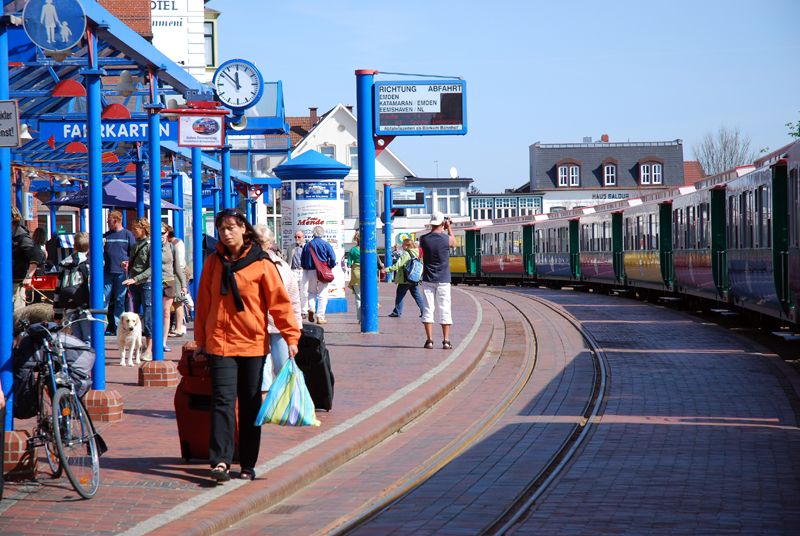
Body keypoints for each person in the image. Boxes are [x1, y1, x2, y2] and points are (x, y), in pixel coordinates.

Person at [194, 208, 300, 482]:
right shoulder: (213, 262)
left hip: (253, 344)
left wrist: (291, 337)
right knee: (222, 402)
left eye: (231, 227)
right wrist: (201, 341)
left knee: (251, 404)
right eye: (221, 229)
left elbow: (279, 303)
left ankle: (248, 463)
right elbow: (204, 304)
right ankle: (220, 462)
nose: (226, 233)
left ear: (244, 229)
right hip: (220, 343)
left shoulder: (262, 263)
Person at [253, 224, 303, 403]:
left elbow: (293, 300)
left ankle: (284, 404)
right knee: (263, 370)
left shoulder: (281, 266)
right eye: (254, 241)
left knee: (284, 366)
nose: (257, 245)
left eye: (261, 242)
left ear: (271, 243)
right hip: (257, 326)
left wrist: (296, 329)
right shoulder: (247, 264)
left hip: (279, 325)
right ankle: (264, 406)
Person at [419, 211, 456, 350]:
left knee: (428, 309)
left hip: (428, 278)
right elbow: (454, 243)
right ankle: (446, 341)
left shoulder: (423, 239)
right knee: (444, 309)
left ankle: (429, 340)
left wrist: (443, 227)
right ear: (442, 223)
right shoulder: (447, 239)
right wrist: (450, 228)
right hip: (443, 279)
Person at [121, 217, 153, 361]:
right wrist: (128, 265)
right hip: (134, 283)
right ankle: (136, 348)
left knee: (148, 315)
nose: (132, 231)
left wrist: (136, 278)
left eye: (135, 229)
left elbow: (153, 268)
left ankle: (149, 349)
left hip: (146, 283)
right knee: (132, 315)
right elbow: (138, 264)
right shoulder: (136, 244)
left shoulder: (151, 244)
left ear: (143, 228)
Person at [53, 232, 91, 343]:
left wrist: (58, 312)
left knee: (75, 339)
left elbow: (58, 289)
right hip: (88, 309)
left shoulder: (65, 264)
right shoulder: (91, 264)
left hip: (70, 307)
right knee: (88, 339)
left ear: (74, 246)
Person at [103, 210, 136, 335]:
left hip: (122, 273)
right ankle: (103, 326)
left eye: (109, 220)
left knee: (120, 300)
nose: (107, 222)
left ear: (115, 221)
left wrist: (128, 263)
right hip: (107, 272)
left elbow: (133, 253)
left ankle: (118, 327)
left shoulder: (128, 235)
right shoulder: (106, 236)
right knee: (104, 299)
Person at [300, 226, 336, 325]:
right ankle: (320, 316)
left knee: (311, 292)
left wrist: (306, 268)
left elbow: (302, 260)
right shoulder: (326, 244)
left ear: (313, 233)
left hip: (311, 271)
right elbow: (333, 258)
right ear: (322, 233)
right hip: (323, 271)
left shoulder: (307, 245)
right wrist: (329, 266)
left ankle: (311, 307)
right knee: (323, 293)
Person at [159, 223, 186, 352]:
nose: (161, 236)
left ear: (167, 233)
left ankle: (163, 342)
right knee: (154, 313)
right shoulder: (151, 247)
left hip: (169, 282)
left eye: (163, 233)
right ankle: (154, 340)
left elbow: (178, 268)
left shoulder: (172, 247)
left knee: (166, 312)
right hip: (154, 283)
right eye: (157, 233)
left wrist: (183, 284)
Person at [12, 206, 45, 311]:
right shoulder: (7, 235)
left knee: (16, 314)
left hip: (16, 282)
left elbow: (35, 256)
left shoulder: (23, 237)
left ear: (12, 218)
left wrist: (28, 276)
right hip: (6, 280)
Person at [381, 238, 424, 318]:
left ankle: (397, 312)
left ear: (407, 246)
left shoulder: (406, 254)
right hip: (414, 278)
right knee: (416, 294)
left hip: (406, 279)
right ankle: (424, 311)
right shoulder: (416, 253)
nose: (402, 245)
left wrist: (387, 270)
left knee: (400, 294)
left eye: (403, 244)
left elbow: (398, 265)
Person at [167, 226, 190, 337]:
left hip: (177, 273)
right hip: (178, 272)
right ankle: (176, 327)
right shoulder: (179, 241)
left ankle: (178, 328)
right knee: (176, 302)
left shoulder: (174, 244)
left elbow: (177, 263)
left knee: (177, 302)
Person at [286, 230, 306, 308]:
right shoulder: (291, 247)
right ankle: (294, 308)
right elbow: (287, 258)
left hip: (303, 271)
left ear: (303, 237)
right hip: (294, 270)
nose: (297, 238)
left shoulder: (306, 247)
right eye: (295, 237)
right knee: (293, 291)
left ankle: (304, 310)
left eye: (299, 237)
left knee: (304, 292)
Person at [347, 232, 361, 323]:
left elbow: (349, 263)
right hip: (368, 273)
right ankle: (374, 307)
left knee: (358, 297)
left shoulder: (353, 250)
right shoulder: (369, 249)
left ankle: (360, 318)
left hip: (356, 273)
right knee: (370, 294)